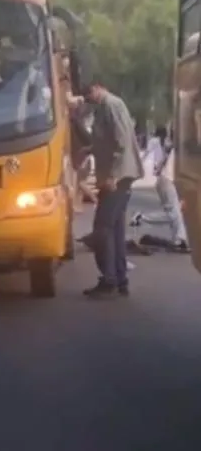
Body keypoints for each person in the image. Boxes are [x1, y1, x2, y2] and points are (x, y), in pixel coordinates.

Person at [81, 80, 144, 299]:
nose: (90, 100)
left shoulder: (111, 104)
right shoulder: (105, 106)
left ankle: (109, 279)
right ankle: (119, 278)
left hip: (117, 178)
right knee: (115, 229)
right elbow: (108, 140)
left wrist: (112, 176)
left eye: (90, 95)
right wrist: (89, 149)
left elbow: (121, 142)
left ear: (99, 88)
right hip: (116, 177)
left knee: (103, 227)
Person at [131, 126, 188, 251]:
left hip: (166, 181)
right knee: (173, 214)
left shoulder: (180, 147)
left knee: (175, 213)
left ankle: (180, 239)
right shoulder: (183, 148)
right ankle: (141, 217)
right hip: (167, 181)